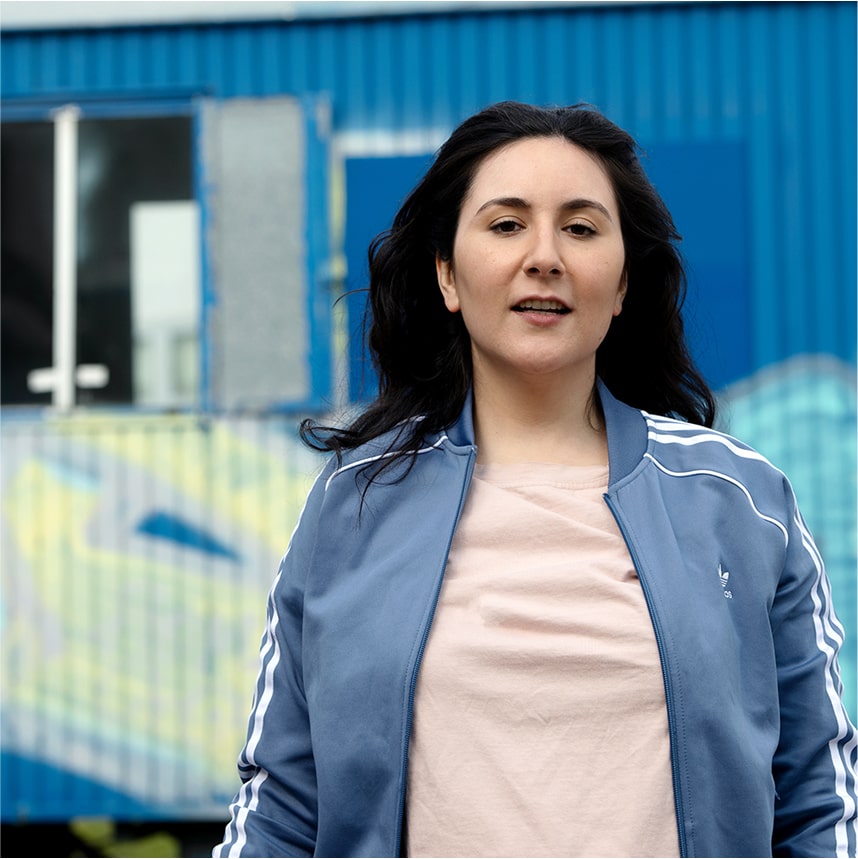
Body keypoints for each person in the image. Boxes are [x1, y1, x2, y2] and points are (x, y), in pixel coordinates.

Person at [213, 101, 857, 858]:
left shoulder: (740, 500)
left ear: (622, 283)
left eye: (580, 228)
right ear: (448, 275)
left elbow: (820, 799)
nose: (545, 256)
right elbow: (283, 804)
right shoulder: (355, 501)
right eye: (507, 224)